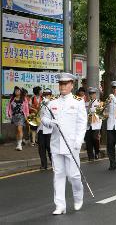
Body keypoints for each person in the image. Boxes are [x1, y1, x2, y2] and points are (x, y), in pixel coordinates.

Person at [41, 72, 87, 215]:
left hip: (72, 144)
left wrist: (78, 142)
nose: (62, 86)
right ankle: (60, 205)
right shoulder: (52, 102)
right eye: (61, 83)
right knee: (58, 174)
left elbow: (82, 123)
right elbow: (44, 119)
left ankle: (78, 197)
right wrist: (50, 122)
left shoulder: (78, 102)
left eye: (66, 83)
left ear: (72, 85)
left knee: (73, 175)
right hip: (56, 144)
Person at [7, 86, 29, 151]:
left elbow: (26, 108)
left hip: (21, 116)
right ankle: (18, 143)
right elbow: (8, 108)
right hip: (14, 116)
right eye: (16, 90)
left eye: (18, 90)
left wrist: (27, 116)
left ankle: (20, 145)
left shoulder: (24, 99)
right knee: (17, 130)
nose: (17, 91)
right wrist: (8, 115)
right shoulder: (12, 99)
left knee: (20, 129)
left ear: (20, 91)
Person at [37, 88, 53, 170]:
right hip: (41, 128)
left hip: (49, 129)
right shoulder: (41, 104)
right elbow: (39, 115)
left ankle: (53, 162)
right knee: (41, 147)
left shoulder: (53, 104)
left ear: (50, 95)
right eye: (44, 95)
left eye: (47, 95)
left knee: (49, 147)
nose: (46, 96)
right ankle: (44, 164)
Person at [85, 88, 102, 161]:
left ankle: (97, 152)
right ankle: (90, 156)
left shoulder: (99, 103)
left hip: (96, 124)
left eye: (93, 94)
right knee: (88, 140)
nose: (91, 95)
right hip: (88, 124)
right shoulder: (87, 103)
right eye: (90, 94)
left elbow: (100, 111)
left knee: (95, 138)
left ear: (95, 94)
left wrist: (92, 110)